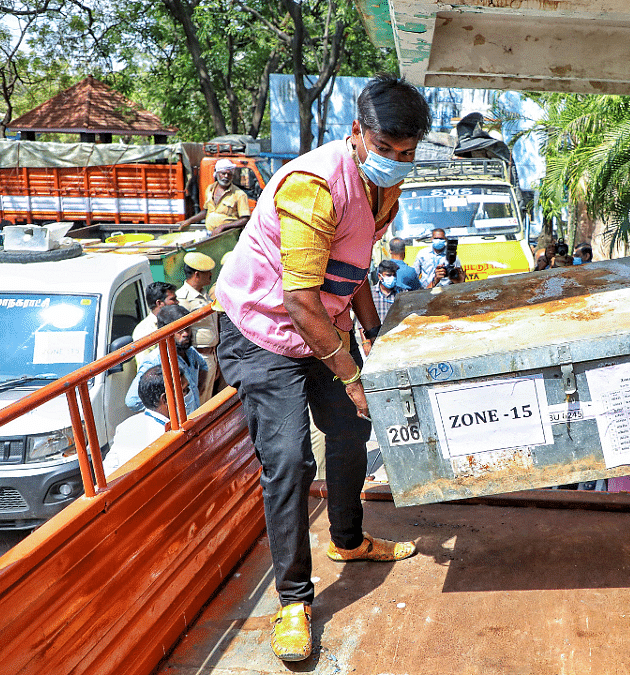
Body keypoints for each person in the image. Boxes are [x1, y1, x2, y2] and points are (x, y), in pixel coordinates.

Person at [214, 74, 429, 662]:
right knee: (287, 459)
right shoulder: (313, 187)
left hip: (321, 327)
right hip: (265, 332)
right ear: (357, 133)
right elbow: (298, 301)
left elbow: (354, 266)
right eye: (386, 151)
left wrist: (375, 334)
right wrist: (353, 376)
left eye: (408, 155)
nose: (396, 163)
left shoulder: (386, 186)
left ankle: (349, 540)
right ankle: (293, 600)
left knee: (352, 428)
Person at [126, 304, 206, 416]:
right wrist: (165, 408)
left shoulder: (189, 350)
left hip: (194, 418)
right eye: (179, 331)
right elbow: (132, 401)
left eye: (188, 328)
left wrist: (198, 387)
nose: (186, 334)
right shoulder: (156, 361)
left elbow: (203, 365)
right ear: (166, 332)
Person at [104, 366, 185, 475]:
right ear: (165, 399)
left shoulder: (126, 425)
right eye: (184, 391)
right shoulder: (166, 434)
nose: (187, 395)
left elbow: (109, 467)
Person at [176, 251, 219, 403]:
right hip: (198, 357)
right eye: (207, 272)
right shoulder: (182, 298)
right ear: (196, 275)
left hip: (211, 355)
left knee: (209, 399)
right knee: (199, 401)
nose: (211, 275)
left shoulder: (204, 294)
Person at [178, 158, 251, 235]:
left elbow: (245, 219)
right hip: (210, 234)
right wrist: (188, 221)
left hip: (229, 236)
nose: (226, 176)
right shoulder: (210, 189)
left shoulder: (239, 194)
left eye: (229, 174)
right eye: (223, 173)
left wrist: (223, 226)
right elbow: (206, 211)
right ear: (217, 174)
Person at [132, 282, 177, 367]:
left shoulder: (174, 322)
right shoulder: (144, 331)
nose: (177, 302)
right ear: (159, 303)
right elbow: (145, 367)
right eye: (173, 299)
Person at [371, 259, 402, 325]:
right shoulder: (370, 294)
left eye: (394, 275)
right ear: (380, 276)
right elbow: (361, 325)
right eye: (388, 275)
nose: (392, 278)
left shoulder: (402, 293)